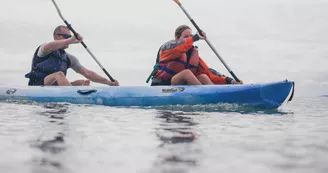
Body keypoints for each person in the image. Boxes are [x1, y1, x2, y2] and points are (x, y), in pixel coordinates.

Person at [25, 25, 119, 86]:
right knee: (59, 75)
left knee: (82, 83)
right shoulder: (44, 49)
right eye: (66, 36)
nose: (69, 39)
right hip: (36, 85)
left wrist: (108, 82)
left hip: (54, 88)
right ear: (56, 36)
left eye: (70, 37)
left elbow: (88, 73)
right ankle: (71, 95)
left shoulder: (69, 58)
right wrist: (71, 40)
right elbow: (51, 45)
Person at [149, 25, 242, 86]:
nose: (189, 39)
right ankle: (207, 97)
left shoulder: (192, 52)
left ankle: (217, 96)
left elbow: (209, 72)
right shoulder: (167, 47)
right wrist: (195, 37)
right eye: (186, 37)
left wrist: (230, 81)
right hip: (163, 85)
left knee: (203, 76)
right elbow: (178, 47)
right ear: (177, 38)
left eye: (191, 36)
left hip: (180, 85)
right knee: (187, 73)